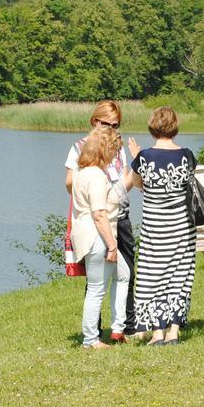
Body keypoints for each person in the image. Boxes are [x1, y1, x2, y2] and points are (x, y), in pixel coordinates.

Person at [65, 101, 139, 342]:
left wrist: (135, 171)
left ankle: (123, 327)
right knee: (97, 283)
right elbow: (78, 190)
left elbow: (124, 187)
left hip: (118, 218)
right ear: (94, 121)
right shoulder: (84, 156)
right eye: (106, 124)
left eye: (115, 125)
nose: (111, 129)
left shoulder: (116, 150)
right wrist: (94, 194)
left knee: (125, 273)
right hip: (99, 224)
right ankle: (91, 336)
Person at [131, 106, 198, 345]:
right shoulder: (187, 155)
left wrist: (136, 155)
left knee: (152, 276)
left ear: (152, 126)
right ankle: (174, 332)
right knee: (180, 276)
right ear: (175, 126)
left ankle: (157, 333)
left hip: (154, 229)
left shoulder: (144, 157)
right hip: (181, 228)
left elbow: (138, 184)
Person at [69, 127, 126, 349]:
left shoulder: (82, 173)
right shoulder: (95, 176)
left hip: (92, 236)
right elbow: (99, 213)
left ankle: (118, 328)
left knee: (123, 274)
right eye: (114, 150)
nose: (115, 155)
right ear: (104, 150)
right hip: (97, 238)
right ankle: (90, 339)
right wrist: (112, 245)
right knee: (96, 288)